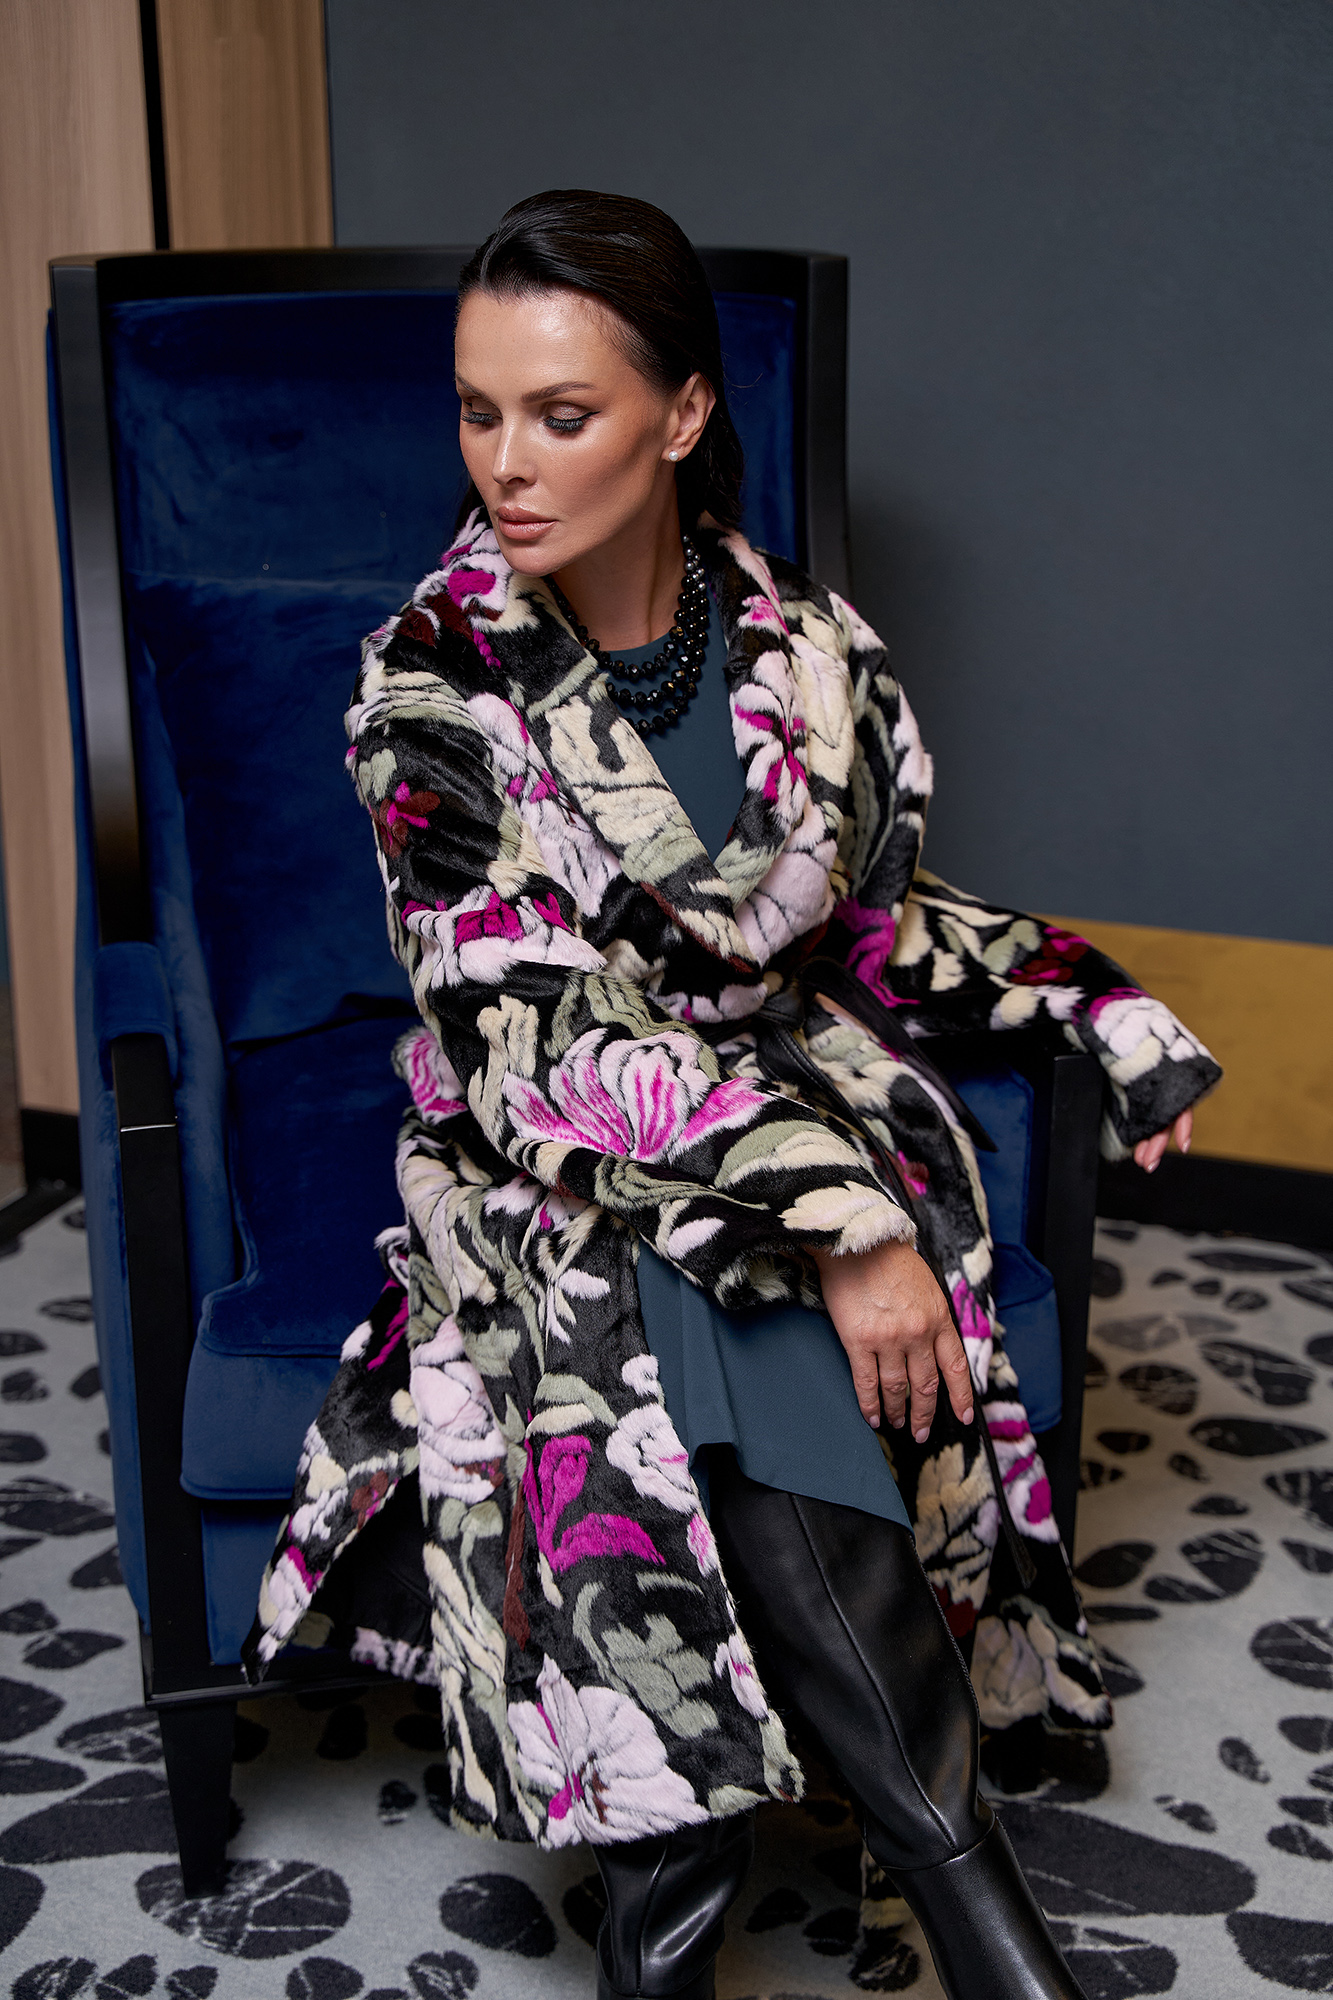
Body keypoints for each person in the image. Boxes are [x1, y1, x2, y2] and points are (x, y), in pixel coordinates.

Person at [245, 190, 1219, 2000]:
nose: (505, 464)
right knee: (672, 1288)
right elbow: (528, 1027)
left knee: (698, 1311)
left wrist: (1096, 1002)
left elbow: (870, 925)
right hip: (546, 1143)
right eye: (478, 411)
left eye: (562, 414)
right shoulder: (429, 682)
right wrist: (839, 1224)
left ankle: (679, 1947)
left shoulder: (810, 652)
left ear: (682, 414)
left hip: (776, 1096)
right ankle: (985, 1927)